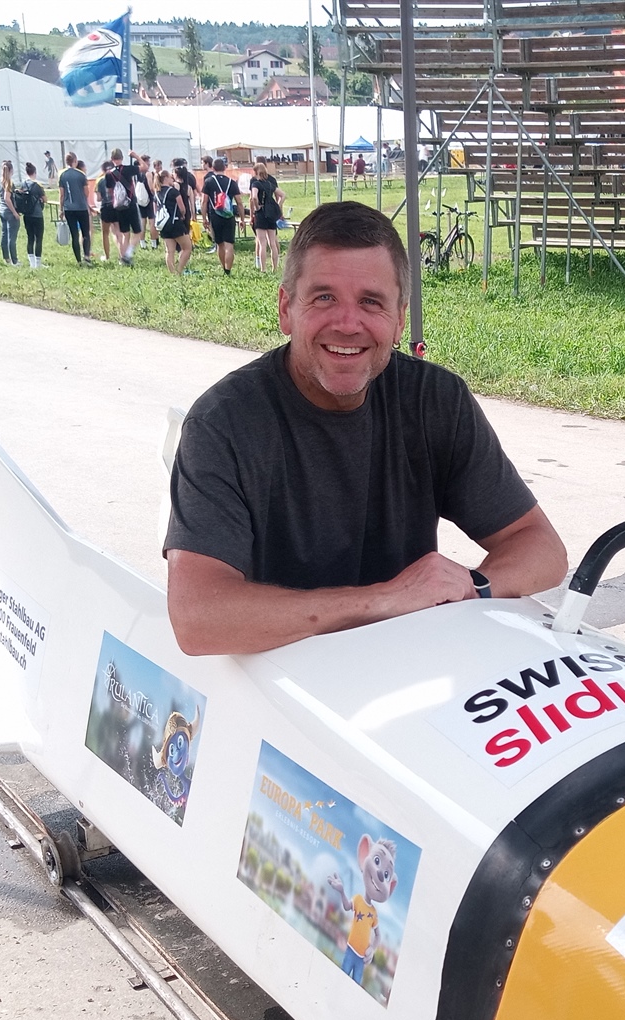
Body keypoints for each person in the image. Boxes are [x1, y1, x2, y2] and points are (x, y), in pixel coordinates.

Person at [164, 202, 567, 656]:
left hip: (400, 668)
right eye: (323, 297)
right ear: (285, 309)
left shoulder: (435, 400)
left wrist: (472, 587)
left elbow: (541, 548)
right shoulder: (222, 423)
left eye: (371, 302)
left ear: (399, 320)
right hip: (278, 683)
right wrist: (387, 600)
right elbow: (197, 618)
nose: (348, 323)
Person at [201, 156, 240, 275]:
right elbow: (239, 202)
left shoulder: (209, 182)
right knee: (229, 244)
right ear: (224, 168)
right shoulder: (231, 182)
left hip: (215, 215)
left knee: (220, 244)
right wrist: (242, 218)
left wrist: (204, 218)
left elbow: (204, 201)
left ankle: (224, 267)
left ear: (213, 168)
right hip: (229, 215)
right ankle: (228, 270)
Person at [58, 153, 91, 265]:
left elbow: (61, 194)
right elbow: (86, 192)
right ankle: (86, 256)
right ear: (75, 161)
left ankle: (78, 260)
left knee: (74, 235)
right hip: (81, 207)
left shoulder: (62, 175)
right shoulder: (81, 175)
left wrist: (61, 209)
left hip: (69, 208)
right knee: (85, 232)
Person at [155, 167, 190, 275]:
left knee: (169, 251)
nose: (172, 179)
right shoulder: (173, 191)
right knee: (187, 248)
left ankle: (172, 272)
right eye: (170, 177)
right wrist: (183, 215)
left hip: (163, 224)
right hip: (175, 223)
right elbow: (182, 208)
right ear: (165, 178)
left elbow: (155, 209)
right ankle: (179, 270)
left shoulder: (157, 193)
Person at [250, 159, 282, 274]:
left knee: (262, 242)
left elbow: (253, 197)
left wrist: (257, 207)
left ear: (257, 172)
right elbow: (282, 195)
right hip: (271, 214)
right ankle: (275, 267)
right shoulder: (270, 184)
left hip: (261, 213)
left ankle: (263, 268)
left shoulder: (255, 183)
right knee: (272, 242)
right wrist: (277, 206)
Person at [16, 161, 46, 268]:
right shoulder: (38, 185)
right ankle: (38, 263)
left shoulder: (23, 184)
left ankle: (31, 262)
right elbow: (44, 199)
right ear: (35, 172)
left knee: (30, 238)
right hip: (37, 214)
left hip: (27, 215)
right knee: (39, 238)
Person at [170, 156, 196, 271]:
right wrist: (194, 215)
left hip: (177, 213)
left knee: (176, 239)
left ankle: (178, 261)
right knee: (185, 236)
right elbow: (192, 203)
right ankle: (182, 259)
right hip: (187, 214)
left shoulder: (175, 186)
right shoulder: (189, 187)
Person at [0, 159, 19, 266]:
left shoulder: (0, 181)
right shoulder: (9, 182)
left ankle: (6, 257)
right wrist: (14, 212)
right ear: (11, 170)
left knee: (4, 234)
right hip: (9, 210)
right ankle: (14, 260)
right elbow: (7, 198)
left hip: (1, 209)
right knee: (12, 237)